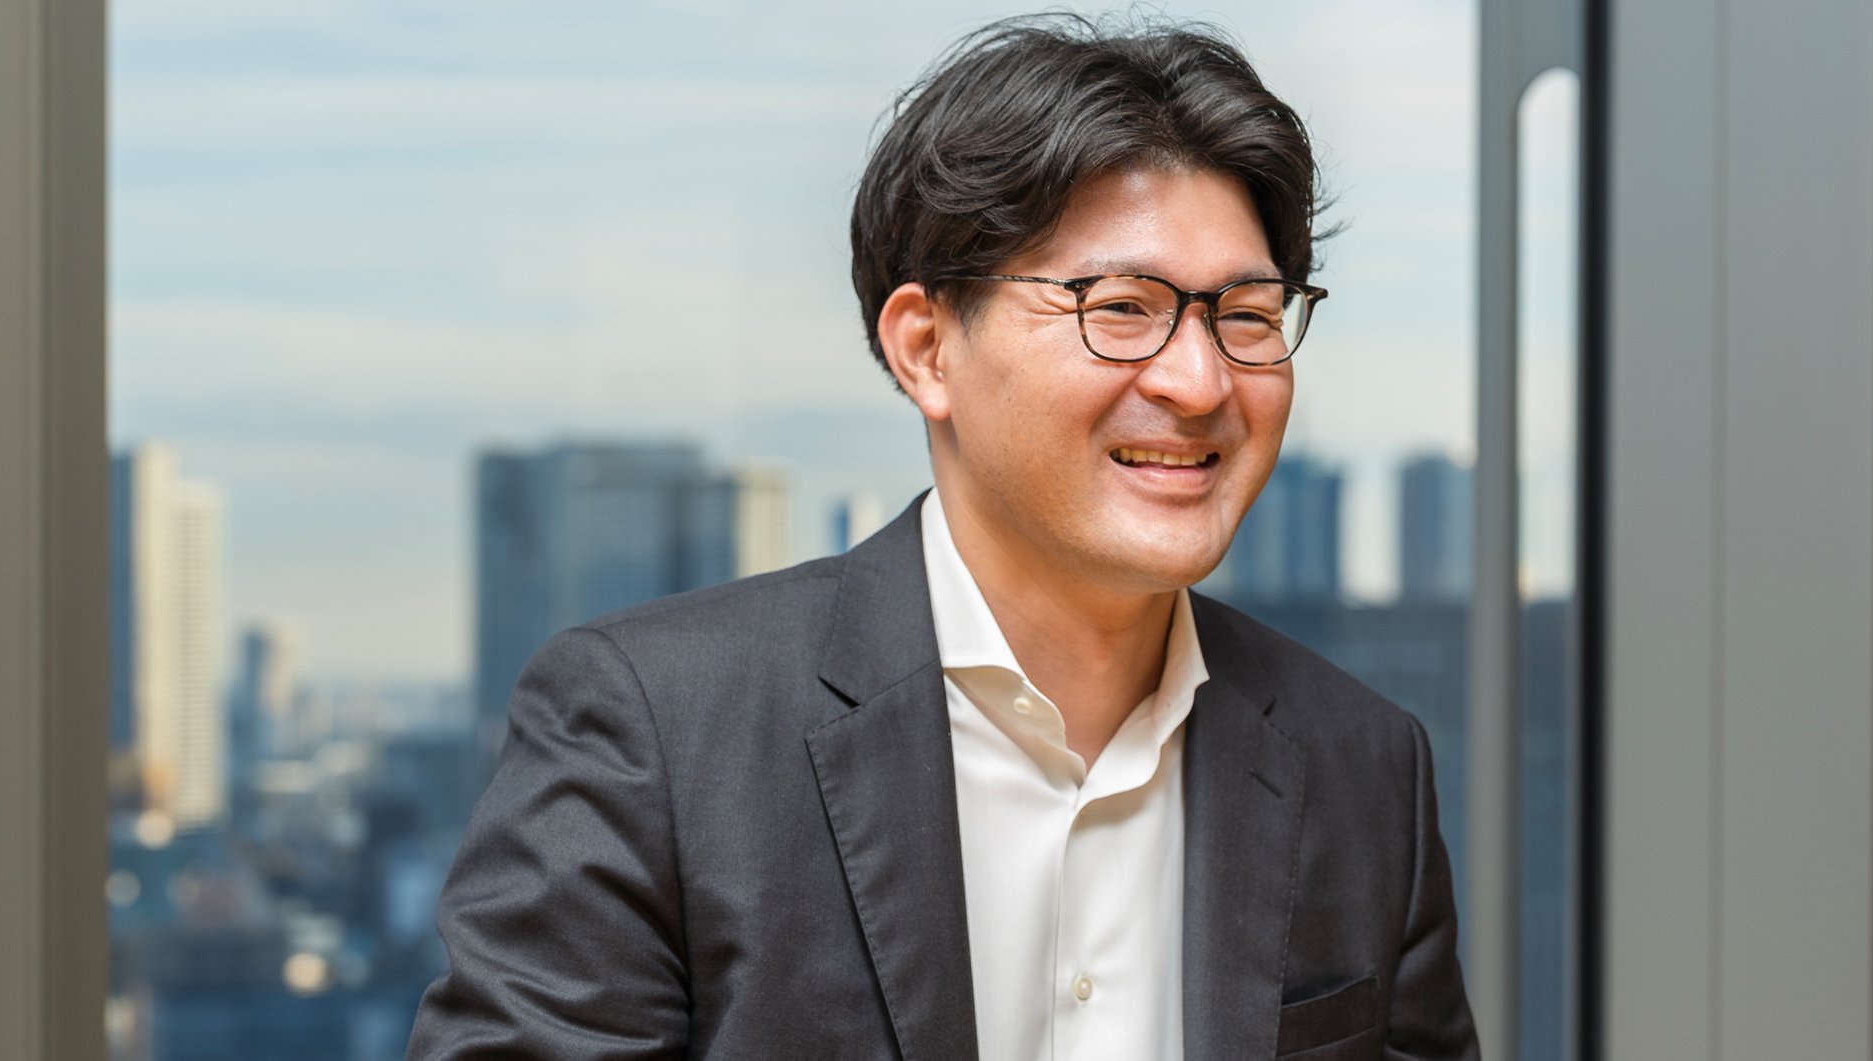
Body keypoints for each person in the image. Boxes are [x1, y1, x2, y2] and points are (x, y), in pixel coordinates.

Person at [406, 14, 1478, 1060]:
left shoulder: (1364, 762)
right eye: (1120, 307)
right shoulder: (656, 733)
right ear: (926, 348)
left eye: (1246, 315)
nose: (1199, 381)